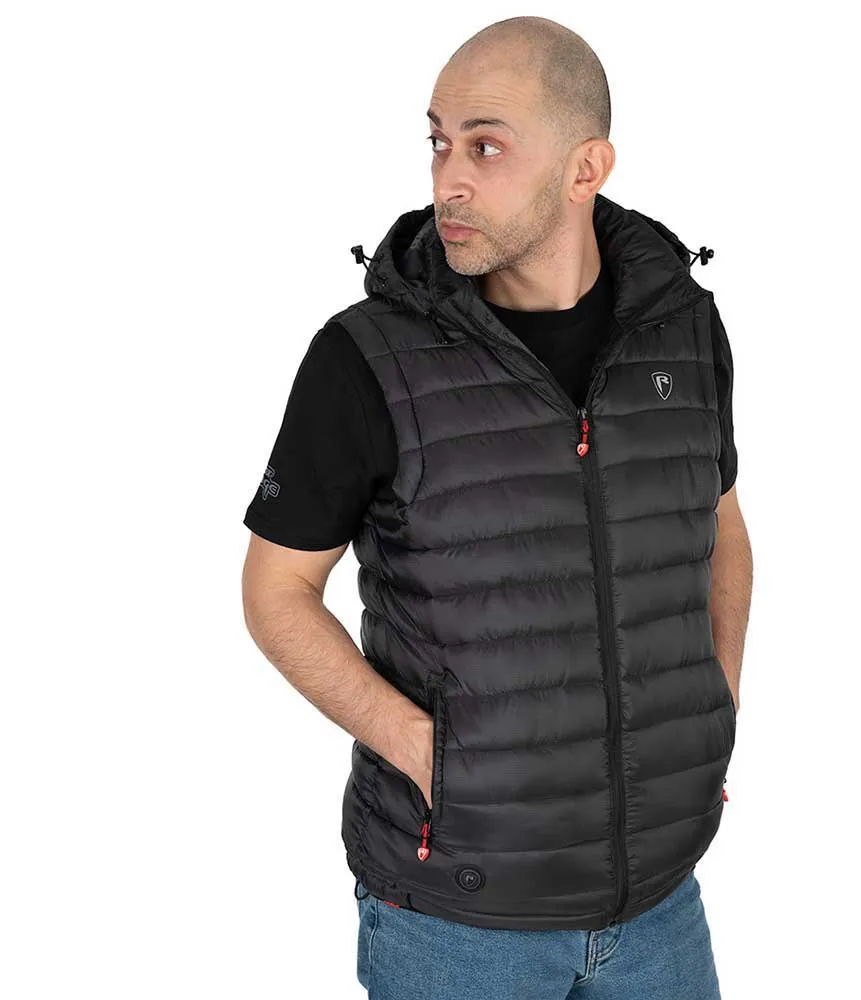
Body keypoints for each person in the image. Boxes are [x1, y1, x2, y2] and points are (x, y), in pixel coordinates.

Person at [241, 15, 753, 999]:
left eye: (485, 147)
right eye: (438, 142)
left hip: (660, 903)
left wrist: (713, 708)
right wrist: (424, 752)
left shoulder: (683, 330)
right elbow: (275, 590)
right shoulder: (366, 359)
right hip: (456, 918)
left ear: (584, 167)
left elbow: (719, 525)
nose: (448, 180)